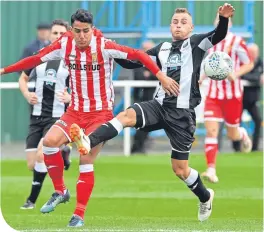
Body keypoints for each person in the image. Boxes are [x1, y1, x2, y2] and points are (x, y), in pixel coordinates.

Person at [0, 9, 178, 227]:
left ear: (92, 29)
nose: (82, 35)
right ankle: (60, 191)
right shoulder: (64, 44)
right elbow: (35, 59)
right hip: (74, 111)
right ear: (71, 29)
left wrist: (161, 75)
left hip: (100, 113)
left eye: (86, 31)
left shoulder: (104, 45)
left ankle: (79, 214)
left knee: (85, 158)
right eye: (77, 31)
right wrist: (4, 70)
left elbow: (139, 55)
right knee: (48, 143)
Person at [69, 4, 235, 223]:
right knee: (126, 116)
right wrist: (108, 49)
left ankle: (205, 196)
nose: (179, 26)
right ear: (170, 26)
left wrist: (223, 19)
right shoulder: (162, 48)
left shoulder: (197, 43)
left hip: (182, 115)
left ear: (191, 27)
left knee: (180, 169)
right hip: (158, 106)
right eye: (175, 22)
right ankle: (87, 141)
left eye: (183, 22)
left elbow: (219, 34)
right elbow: (131, 62)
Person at [18, 19, 72, 210]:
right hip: (36, 116)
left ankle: (31, 200)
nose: (58, 37)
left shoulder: (71, 59)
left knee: (42, 155)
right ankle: (63, 152)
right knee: (32, 164)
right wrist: (27, 94)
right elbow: (23, 78)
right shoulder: (39, 56)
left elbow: (83, 87)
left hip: (57, 117)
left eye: (61, 34)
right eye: (55, 33)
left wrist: (69, 97)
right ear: (49, 35)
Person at [200, 14, 254, 183]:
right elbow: (209, 63)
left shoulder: (237, 41)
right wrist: (201, 77)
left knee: (232, 134)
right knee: (211, 131)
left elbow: (249, 63)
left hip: (232, 95)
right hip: (213, 94)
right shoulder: (209, 41)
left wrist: (235, 74)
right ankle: (211, 169)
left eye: (224, 20)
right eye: (217, 19)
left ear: (230, 23)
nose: (220, 22)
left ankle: (242, 135)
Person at [232, 43, 263, 152]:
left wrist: (253, 78)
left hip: (253, 99)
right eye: (251, 52)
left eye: (255, 52)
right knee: (235, 123)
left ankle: (254, 148)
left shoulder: (260, 63)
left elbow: (257, 77)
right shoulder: (242, 62)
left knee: (258, 121)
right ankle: (236, 148)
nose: (254, 55)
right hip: (240, 99)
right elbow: (242, 75)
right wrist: (255, 79)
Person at [131, 40, 157, 154]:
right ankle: (136, 148)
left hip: (152, 99)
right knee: (141, 124)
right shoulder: (138, 63)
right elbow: (140, 76)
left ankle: (139, 147)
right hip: (140, 99)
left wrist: (150, 74)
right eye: (146, 49)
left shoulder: (157, 62)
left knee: (148, 124)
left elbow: (158, 75)